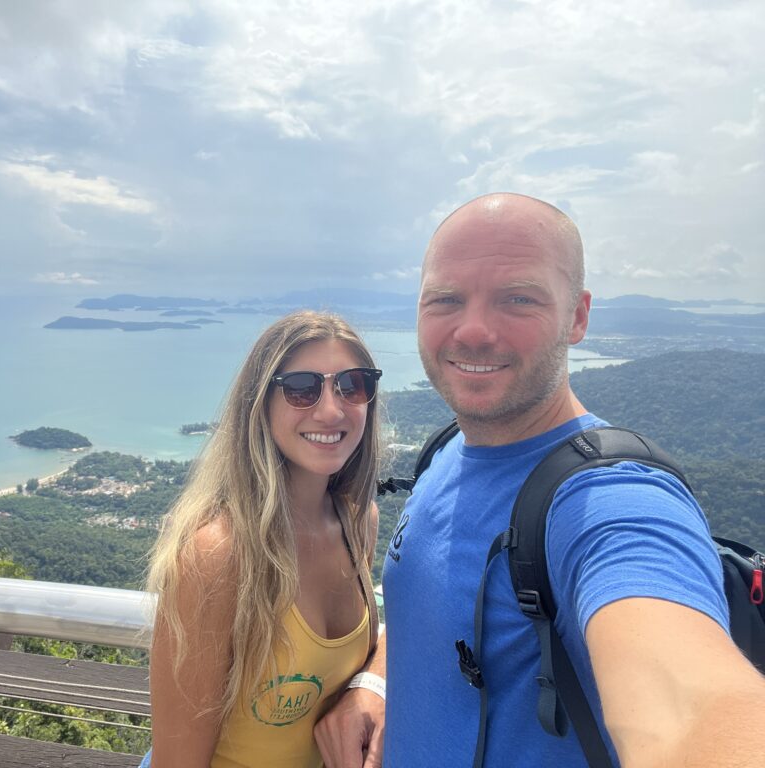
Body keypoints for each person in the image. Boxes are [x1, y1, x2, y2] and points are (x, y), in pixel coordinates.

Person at [314, 193, 765, 766]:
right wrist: (377, 682)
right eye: (446, 299)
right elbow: (432, 609)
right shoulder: (448, 449)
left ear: (577, 316)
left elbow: (689, 710)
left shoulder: (611, 502)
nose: (473, 330)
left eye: (517, 299)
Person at [144, 311, 383, 767]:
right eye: (301, 387)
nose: (332, 409)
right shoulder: (219, 556)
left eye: (352, 384)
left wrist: (369, 685)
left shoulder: (357, 523)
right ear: (260, 404)